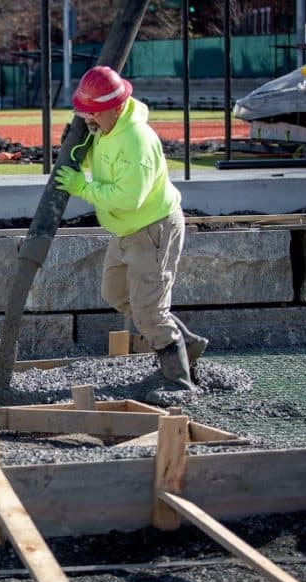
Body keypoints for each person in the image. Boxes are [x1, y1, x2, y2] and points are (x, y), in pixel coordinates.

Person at [53, 66, 208, 405]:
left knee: (149, 312)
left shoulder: (137, 141)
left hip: (152, 228)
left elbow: (128, 198)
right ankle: (187, 344)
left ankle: (179, 382)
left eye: (93, 113)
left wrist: (82, 186)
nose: (88, 119)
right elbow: (98, 151)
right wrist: (79, 145)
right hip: (125, 229)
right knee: (116, 292)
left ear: (116, 107)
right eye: (84, 112)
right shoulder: (107, 128)